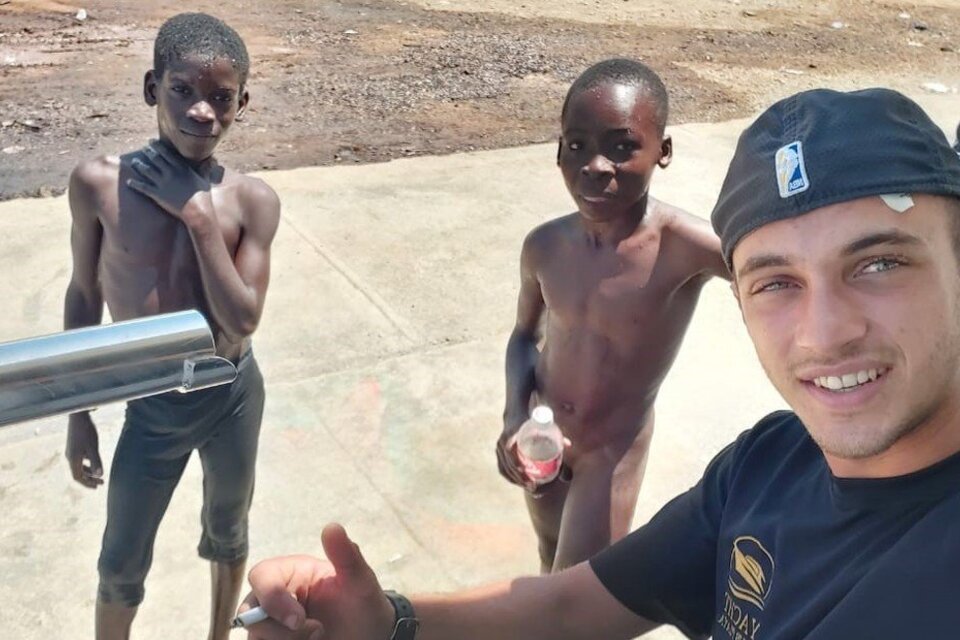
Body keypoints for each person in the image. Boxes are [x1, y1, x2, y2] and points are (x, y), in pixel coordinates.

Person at [238, 87, 960, 640]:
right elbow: (569, 605)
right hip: (550, 440)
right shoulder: (765, 467)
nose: (824, 334)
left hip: (611, 452)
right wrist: (386, 621)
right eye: (775, 282)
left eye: (880, 264)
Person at [63, 12, 280, 640]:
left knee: (228, 530)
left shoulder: (251, 200)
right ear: (152, 88)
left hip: (231, 393)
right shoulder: (99, 184)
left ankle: (218, 635)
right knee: (120, 562)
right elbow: (84, 294)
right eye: (182, 90)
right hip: (154, 403)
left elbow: (241, 319)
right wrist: (79, 414)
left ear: (243, 103)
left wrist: (199, 218)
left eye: (221, 97)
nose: (202, 111)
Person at [497, 58, 729, 573]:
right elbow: (523, 337)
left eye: (622, 147)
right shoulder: (544, 247)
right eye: (577, 145)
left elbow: (776, 272)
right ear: (559, 149)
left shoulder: (685, 247)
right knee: (548, 555)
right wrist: (514, 415)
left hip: (612, 452)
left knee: (578, 590)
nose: (596, 165)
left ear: (663, 151)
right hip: (544, 435)